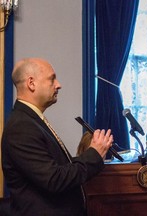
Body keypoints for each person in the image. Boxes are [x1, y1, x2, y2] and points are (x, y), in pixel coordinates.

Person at [1, 58, 114, 216]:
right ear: (31, 83)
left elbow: (59, 167)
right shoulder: (22, 126)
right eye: (52, 79)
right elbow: (54, 180)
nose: (58, 84)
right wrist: (94, 153)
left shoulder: (31, 120)